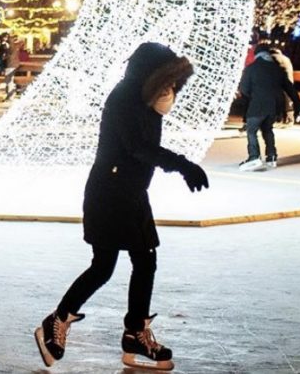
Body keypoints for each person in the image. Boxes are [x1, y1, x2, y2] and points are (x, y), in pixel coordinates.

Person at [34, 42, 208, 370]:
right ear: (150, 76)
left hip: (130, 193)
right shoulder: (126, 100)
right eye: (167, 81)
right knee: (104, 266)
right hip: (109, 193)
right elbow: (139, 148)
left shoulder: (147, 102)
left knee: (146, 261)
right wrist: (183, 164)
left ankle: (134, 334)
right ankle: (56, 321)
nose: (172, 89)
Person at [237, 44, 300, 171]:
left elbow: (244, 89)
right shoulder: (277, 69)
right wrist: (298, 103)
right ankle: (271, 156)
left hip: (258, 105)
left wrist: (248, 99)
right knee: (267, 129)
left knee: (251, 130)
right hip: (274, 106)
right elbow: (289, 87)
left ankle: (254, 157)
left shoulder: (251, 68)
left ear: (256, 55)